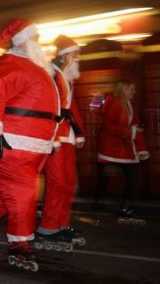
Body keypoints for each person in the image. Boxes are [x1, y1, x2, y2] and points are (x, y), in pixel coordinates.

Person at [0, 19, 59, 271]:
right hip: (9, 143)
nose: (39, 43)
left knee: (0, 190)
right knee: (22, 191)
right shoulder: (11, 65)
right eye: (35, 38)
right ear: (24, 41)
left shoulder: (30, 66)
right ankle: (20, 242)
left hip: (23, 143)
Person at [36, 35, 86, 250]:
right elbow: (50, 108)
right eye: (77, 54)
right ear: (68, 55)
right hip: (55, 135)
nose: (78, 58)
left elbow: (71, 108)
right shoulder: (52, 75)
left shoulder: (66, 77)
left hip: (67, 136)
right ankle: (48, 227)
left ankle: (61, 224)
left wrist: (79, 133)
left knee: (68, 182)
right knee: (57, 182)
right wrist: (52, 137)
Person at [94, 79, 149, 225]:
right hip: (110, 147)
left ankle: (120, 205)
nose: (134, 92)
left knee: (129, 175)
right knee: (106, 177)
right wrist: (130, 131)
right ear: (123, 90)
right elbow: (108, 125)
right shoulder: (115, 103)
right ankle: (103, 204)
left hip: (122, 147)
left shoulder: (130, 105)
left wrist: (141, 147)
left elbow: (136, 126)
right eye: (131, 89)